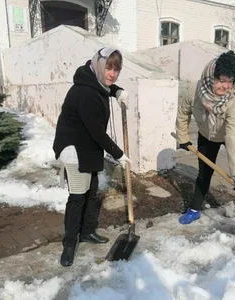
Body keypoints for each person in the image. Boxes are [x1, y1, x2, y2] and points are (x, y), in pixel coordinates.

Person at [53, 47, 131, 267]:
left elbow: (104, 87)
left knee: (92, 190)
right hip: (74, 150)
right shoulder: (84, 92)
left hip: (89, 146)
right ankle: (69, 244)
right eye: (109, 67)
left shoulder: (93, 81)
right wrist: (119, 154)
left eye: (117, 69)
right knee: (77, 197)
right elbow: (97, 131)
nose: (112, 74)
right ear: (99, 65)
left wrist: (116, 91)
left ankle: (86, 232)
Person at [175, 50, 235, 243]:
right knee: (204, 172)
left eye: (230, 81)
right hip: (207, 134)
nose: (226, 86)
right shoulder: (194, 89)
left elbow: (233, 140)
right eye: (221, 80)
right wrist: (183, 137)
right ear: (210, 76)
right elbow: (183, 112)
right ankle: (194, 209)